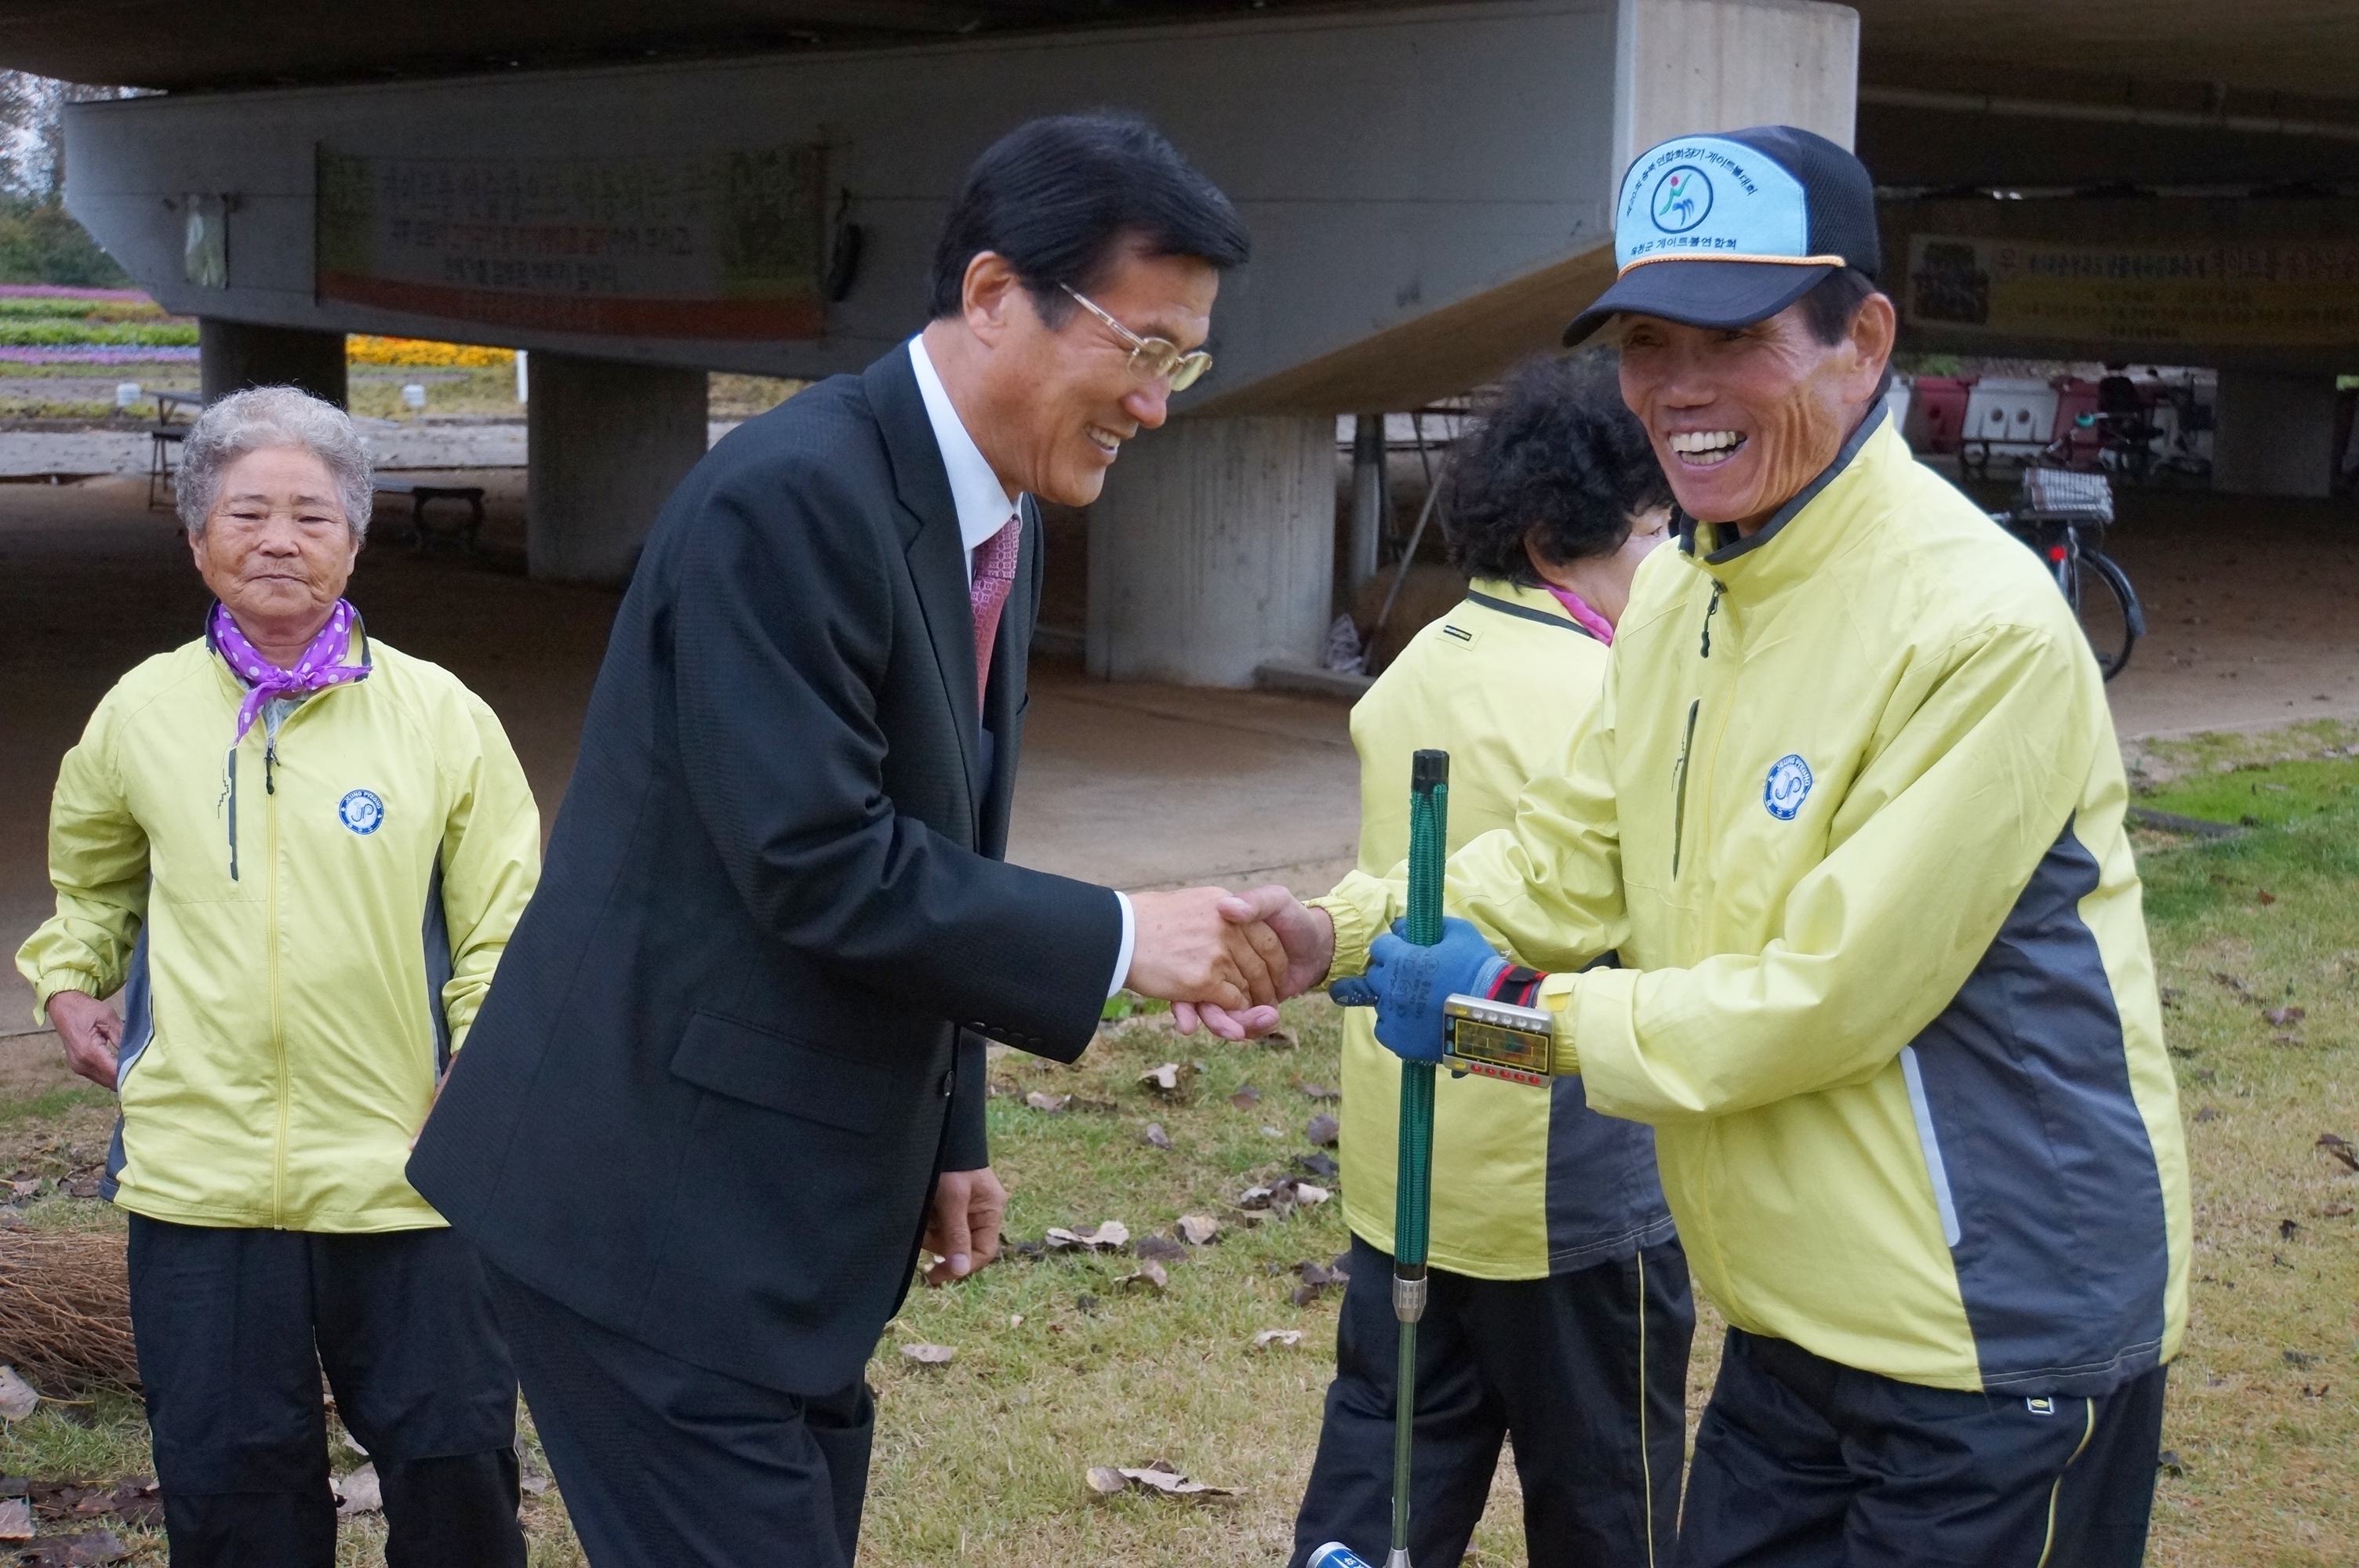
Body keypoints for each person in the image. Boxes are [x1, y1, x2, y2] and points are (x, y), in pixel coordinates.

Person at [1210, 125, 2188, 1567]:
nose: (1677, 391)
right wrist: (1335, 933)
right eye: (1646, 343)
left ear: (1862, 338)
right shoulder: (1681, 599)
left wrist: (1515, 1026)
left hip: (1996, 1336)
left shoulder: (1979, 626)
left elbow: (1822, 998)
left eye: (1732, 339)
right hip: (1794, 1318)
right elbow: (1562, 863)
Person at [406, 112, 1288, 1568]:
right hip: (647, 1217)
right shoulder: (794, 498)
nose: (1158, 404)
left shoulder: (996, 506)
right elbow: (821, 858)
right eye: (1140, 349)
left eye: (1182, 360)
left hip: (782, 1218)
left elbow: (942, 835)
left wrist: (948, 1129)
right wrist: (1128, 936)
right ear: (997, 296)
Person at [15, 386, 541, 1567]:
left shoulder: (442, 718)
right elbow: (93, 889)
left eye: (312, 515)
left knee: (456, 1468)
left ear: (355, 541)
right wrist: (68, 980)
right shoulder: (138, 715)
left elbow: (507, 922)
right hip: (201, 1181)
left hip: (410, 1171)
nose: (278, 540)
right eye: (246, 513)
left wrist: (487, 1066)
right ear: (197, 537)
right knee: (231, 1490)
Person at [1290, 358, 1692, 1568]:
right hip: (1561, 1181)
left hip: (1404, 1166)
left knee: (1387, 1455)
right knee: (1607, 1493)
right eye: (1648, 538)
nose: (1666, 568)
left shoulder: (1412, 667)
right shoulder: (1621, 687)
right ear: (1554, 539)